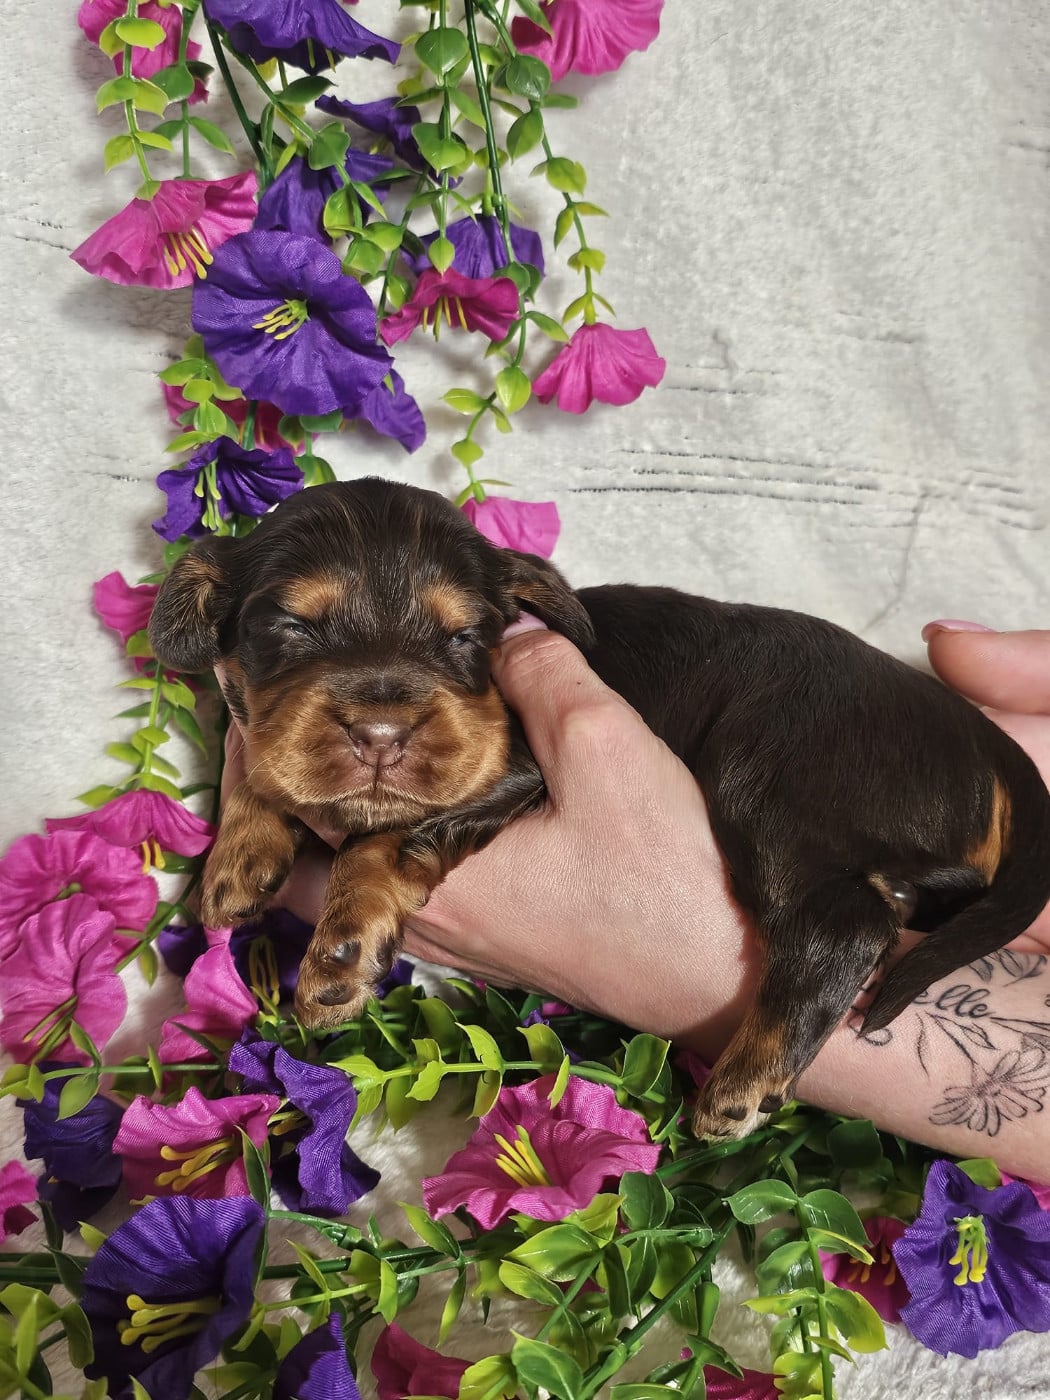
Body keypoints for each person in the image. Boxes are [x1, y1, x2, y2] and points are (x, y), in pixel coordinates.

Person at [222, 622, 1050, 1181]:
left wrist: (684, 962)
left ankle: (833, 934)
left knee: (776, 804)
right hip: (939, 792)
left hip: (860, 745)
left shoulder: (523, 658)